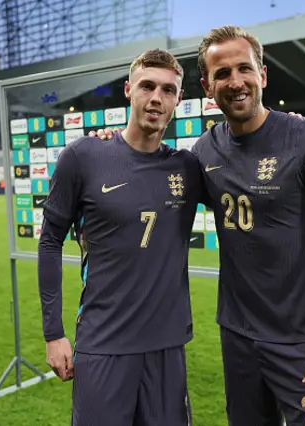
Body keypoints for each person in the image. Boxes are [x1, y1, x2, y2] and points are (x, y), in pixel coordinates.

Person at [92, 25, 305, 426]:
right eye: (222, 74)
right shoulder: (203, 152)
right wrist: (110, 147)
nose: (235, 82)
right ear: (206, 85)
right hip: (237, 336)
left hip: (301, 336)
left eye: (244, 69)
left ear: (263, 75)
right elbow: (150, 176)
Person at [37, 49, 201, 426]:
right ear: (129, 90)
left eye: (168, 90)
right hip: (103, 345)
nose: (156, 98)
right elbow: (49, 242)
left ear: (178, 99)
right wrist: (53, 333)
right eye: (147, 86)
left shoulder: (188, 167)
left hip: (167, 346)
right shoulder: (83, 157)